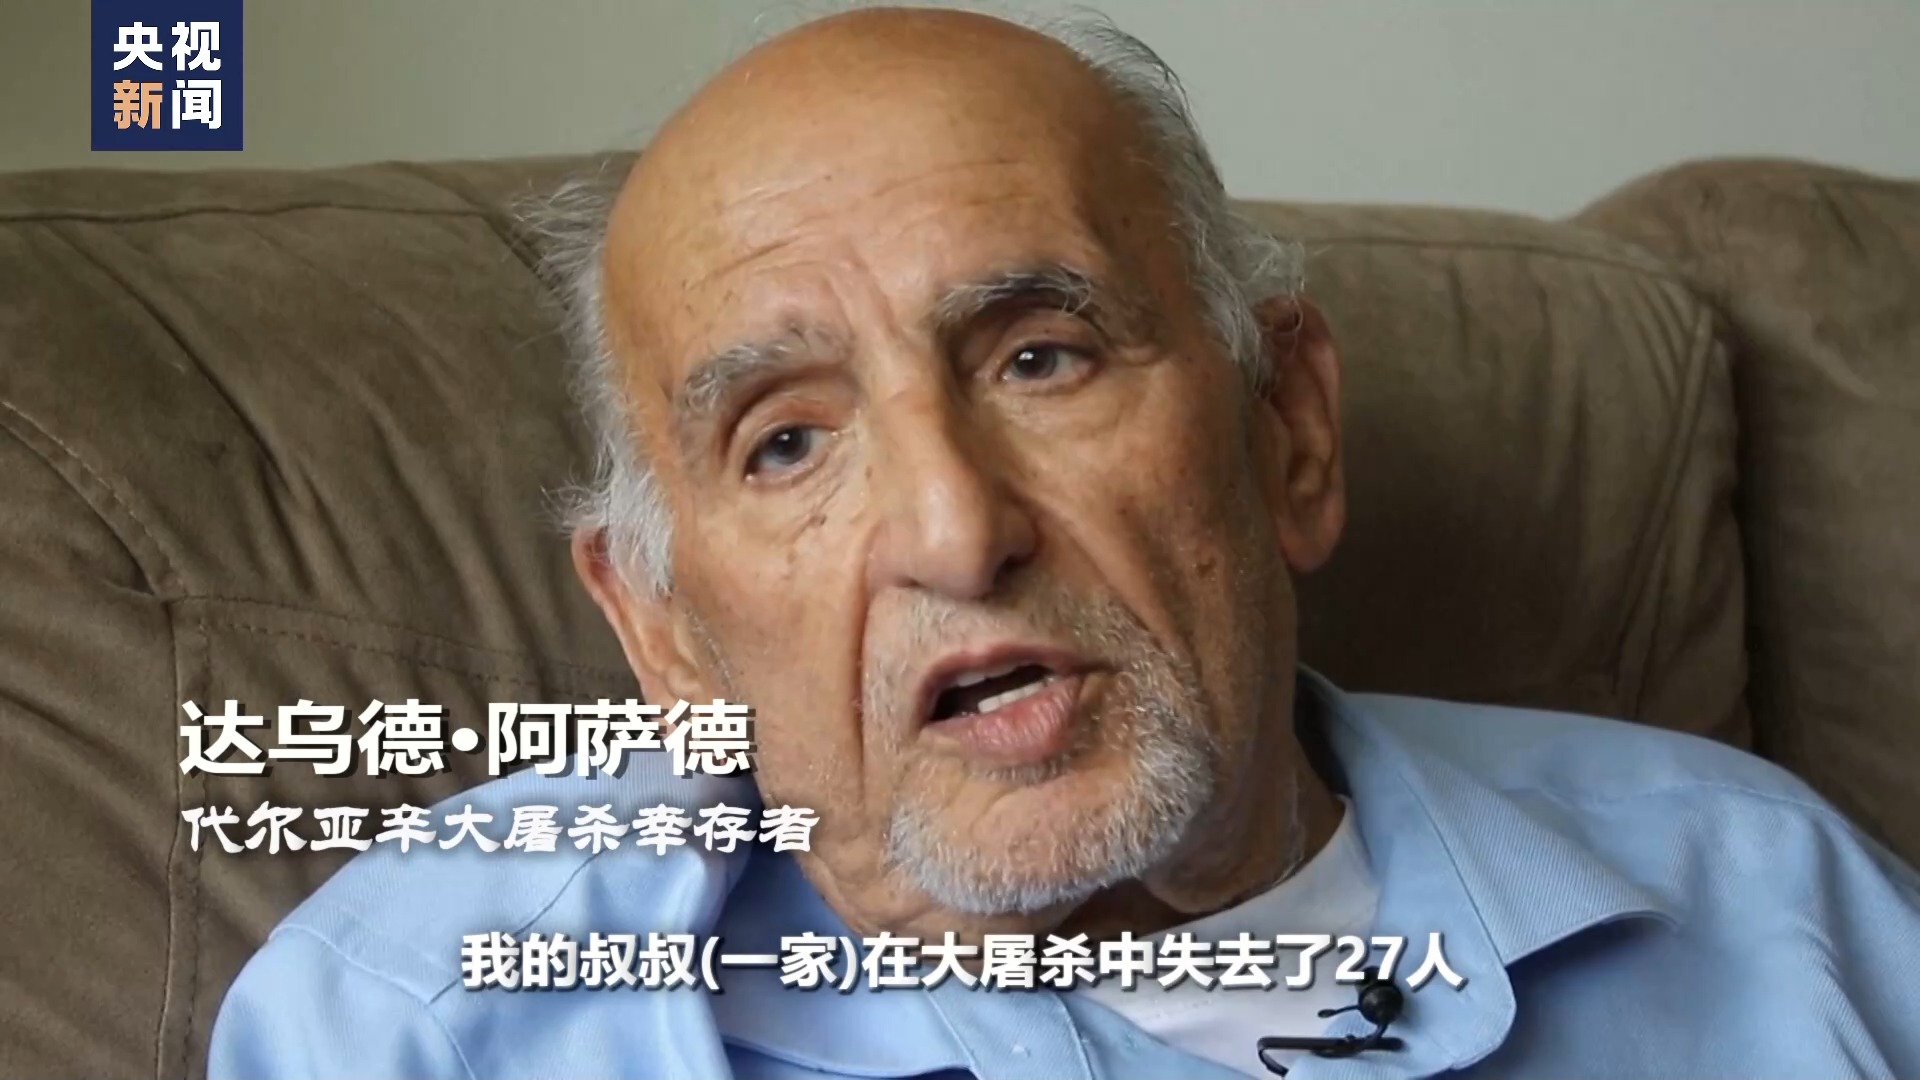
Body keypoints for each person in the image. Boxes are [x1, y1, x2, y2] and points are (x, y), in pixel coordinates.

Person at [209, 8, 1920, 1079]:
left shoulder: (1779, 911)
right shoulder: (420, 1020)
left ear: (1288, 429)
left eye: (1042, 358)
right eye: (788, 441)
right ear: (664, 631)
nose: (957, 532)